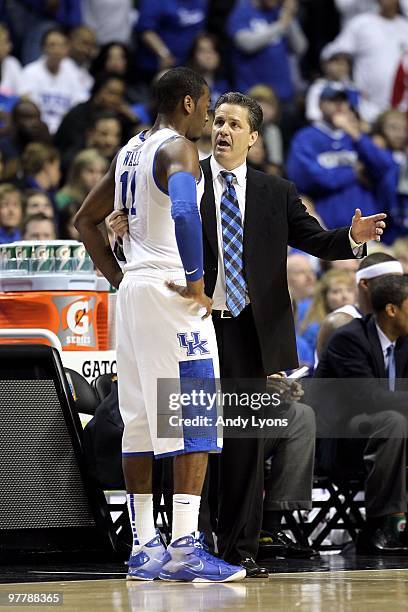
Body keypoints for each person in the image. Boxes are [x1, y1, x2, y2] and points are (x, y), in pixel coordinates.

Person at [110, 90, 387, 575]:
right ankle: (181, 542)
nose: (223, 131)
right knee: (185, 432)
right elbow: (151, 220)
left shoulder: (275, 191)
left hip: (248, 330)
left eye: (236, 125)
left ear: (254, 137)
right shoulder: (185, 175)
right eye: (218, 121)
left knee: (240, 443)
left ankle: (238, 549)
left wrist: (352, 240)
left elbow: (315, 240)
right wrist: (123, 228)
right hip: (191, 318)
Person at [74, 67, 246, 583]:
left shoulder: (130, 148)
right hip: (170, 290)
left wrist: (119, 277)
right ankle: (187, 547)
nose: (209, 115)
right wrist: (196, 283)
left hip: (133, 292)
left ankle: (144, 547)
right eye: (208, 103)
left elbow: (84, 220)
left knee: (142, 421)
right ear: (189, 103)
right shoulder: (178, 149)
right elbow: (187, 217)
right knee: (192, 413)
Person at [314, 273, 408, 555]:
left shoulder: (405, 341)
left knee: (396, 422)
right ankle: (382, 526)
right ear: (392, 310)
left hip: (388, 435)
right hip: (342, 436)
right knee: (393, 421)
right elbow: (368, 398)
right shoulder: (349, 339)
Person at [287, 84, 389, 228]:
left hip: (366, 226)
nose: (339, 105)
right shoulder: (305, 138)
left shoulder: (357, 138)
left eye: (343, 100)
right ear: (321, 105)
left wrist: (355, 134)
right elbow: (310, 177)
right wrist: (353, 173)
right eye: (332, 100)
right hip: (325, 227)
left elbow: (386, 167)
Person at [321, 0, 408, 123]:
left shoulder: (405, 27)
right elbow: (330, 53)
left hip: (400, 113)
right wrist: (344, 76)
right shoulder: (361, 23)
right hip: (367, 110)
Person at [19, 28, 88, 133]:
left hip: (66, 130)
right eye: (52, 45)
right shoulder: (30, 71)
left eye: (61, 46)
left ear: (67, 49)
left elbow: (81, 104)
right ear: (43, 48)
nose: (56, 50)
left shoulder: (74, 73)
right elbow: (26, 102)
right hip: (38, 130)